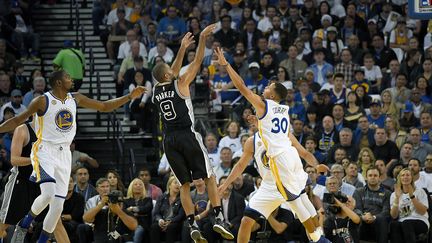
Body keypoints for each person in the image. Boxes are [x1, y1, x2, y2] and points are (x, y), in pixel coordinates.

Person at [0, 70, 145, 243]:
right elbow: (17, 120)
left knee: (57, 208)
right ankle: (23, 225)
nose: (72, 79)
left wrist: (129, 96)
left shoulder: (75, 98)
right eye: (68, 77)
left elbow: (105, 106)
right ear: (58, 83)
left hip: (64, 154)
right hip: (44, 150)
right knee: (47, 194)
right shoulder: (41, 101)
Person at [214, 47, 329, 243]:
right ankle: (319, 238)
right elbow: (271, 137)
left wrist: (226, 65)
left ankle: (321, 241)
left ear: (273, 96)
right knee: (248, 220)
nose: (266, 86)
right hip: (272, 181)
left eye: (270, 86)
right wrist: (316, 165)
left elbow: (241, 86)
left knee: (301, 209)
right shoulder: (281, 113)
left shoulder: (264, 105)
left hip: (281, 164)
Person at [151, 24, 234, 242]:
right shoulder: (181, 83)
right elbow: (196, 63)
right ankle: (218, 218)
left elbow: (172, 70)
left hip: (168, 141)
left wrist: (181, 49)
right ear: (168, 74)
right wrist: (203, 39)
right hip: (187, 135)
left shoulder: (156, 90)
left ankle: (192, 223)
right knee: (209, 177)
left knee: (185, 185)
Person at [0, 122, 69, 242]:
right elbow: (14, 160)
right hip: (21, 182)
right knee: (4, 224)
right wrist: (36, 159)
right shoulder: (23, 129)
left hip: (43, 182)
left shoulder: (53, 133)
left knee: (56, 222)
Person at [389, 168, 430, 243]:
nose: (405, 177)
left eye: (408, 175)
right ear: (399, 178)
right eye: (403, 175)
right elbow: (394, 216)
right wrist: (397, 198)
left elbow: (422, 211)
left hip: (420, 221)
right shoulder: (394, 194)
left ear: (412, 178)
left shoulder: (420, 191)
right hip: (403, 221)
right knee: (394, 225)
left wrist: (412, 196)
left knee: (406, 223)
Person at [353, 166, 391, 243]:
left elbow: (386, 211)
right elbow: (357, 208)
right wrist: (363, 216)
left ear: (379, 177)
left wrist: (374, 217)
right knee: (355, 218)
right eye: (370, 175)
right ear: (366, 177)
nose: (372, 178)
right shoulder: (358, 192)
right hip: (362, 222)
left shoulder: (387, 193)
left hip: (379, 223)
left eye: (375, 175)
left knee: (382, 219)